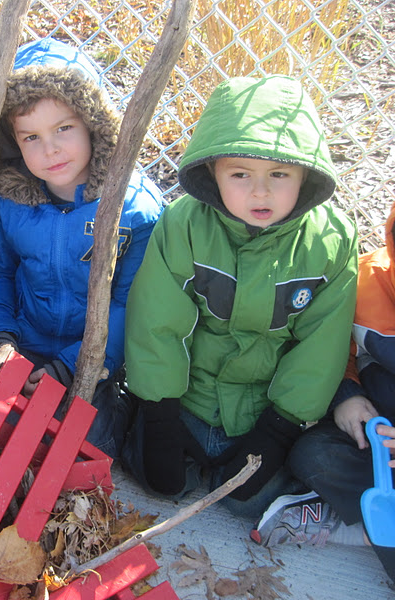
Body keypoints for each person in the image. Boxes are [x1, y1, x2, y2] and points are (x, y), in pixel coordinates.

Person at [122, 75, 358, 517]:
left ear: (305, 174)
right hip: (188, 399)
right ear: (212, 171)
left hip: (261, 410)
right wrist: (159, 418)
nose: (260, 191)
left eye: (280, 174)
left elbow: (320, 348)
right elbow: (157, 323)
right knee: (160, 482)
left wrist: (279, 429)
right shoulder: (185, 225)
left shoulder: (330, 242)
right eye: (240, 174)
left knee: (249, 503)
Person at [0, 37, 164, 458]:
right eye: (31, 137)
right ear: (12, 142)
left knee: (82, 444)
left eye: (63, 129)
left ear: (93, 123)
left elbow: (132, 303)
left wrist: (73, 366)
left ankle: (118, 406)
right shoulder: (7, 200)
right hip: (25, 338)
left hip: (94, 357)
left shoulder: (135, 208)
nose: (50, 149)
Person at [251, 199, 395, 583]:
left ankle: (358, 527)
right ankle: (369, 519)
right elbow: (332, 348)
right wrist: (346, 394)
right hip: (377, 434)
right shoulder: (367, 285)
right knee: (315, 455)